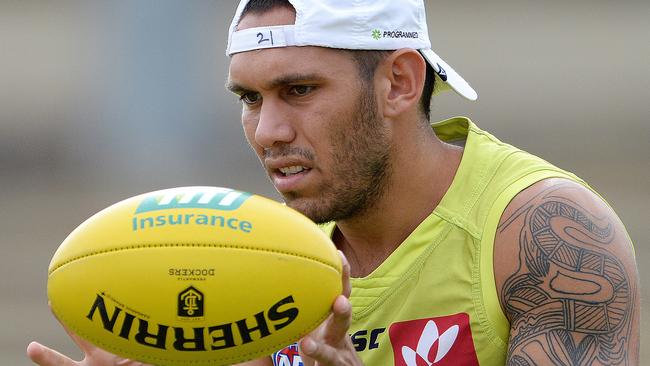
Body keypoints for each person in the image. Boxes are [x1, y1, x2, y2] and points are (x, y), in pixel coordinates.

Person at [27, 0, 640, 365]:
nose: (267, 130)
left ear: (400, 82)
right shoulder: (252, 256)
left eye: (299, 90)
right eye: (248, 97)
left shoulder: (545, 233)